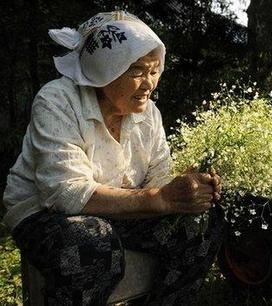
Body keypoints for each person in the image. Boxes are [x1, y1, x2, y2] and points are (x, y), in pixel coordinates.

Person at [2, 11, 225, 306]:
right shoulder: (57, 100)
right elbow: (64, 194)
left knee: (203, 223)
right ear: (104, 70)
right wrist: (159, 198)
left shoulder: (149, 115)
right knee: (93, 241)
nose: (149, 83)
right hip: (42, 212)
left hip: (119, 207)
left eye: (154, 71)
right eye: (137, 71)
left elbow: (158, 179)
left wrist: (185, 190)